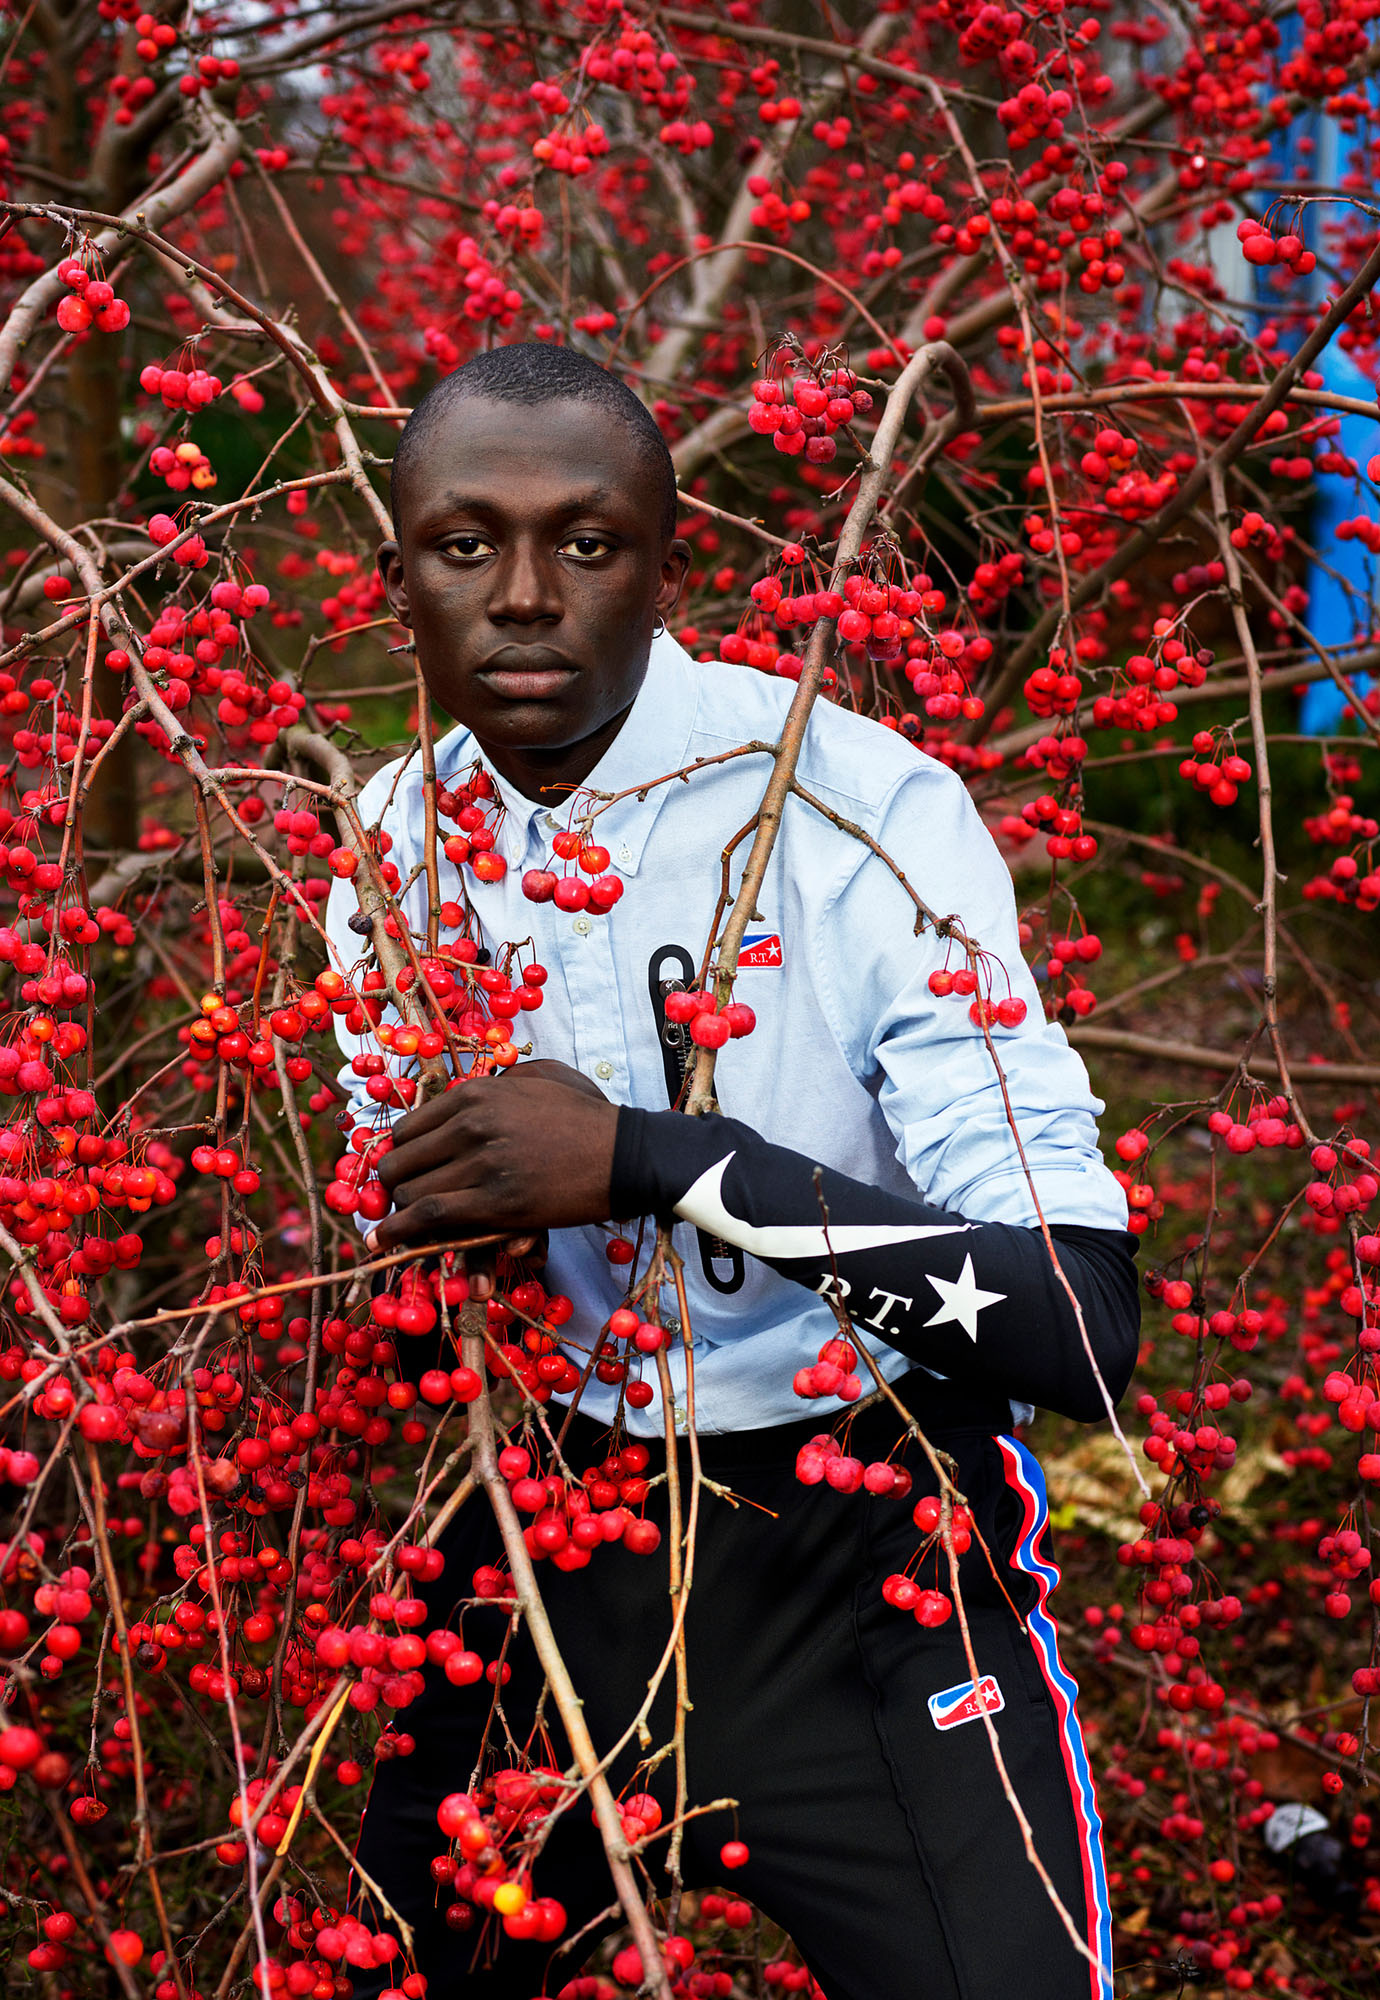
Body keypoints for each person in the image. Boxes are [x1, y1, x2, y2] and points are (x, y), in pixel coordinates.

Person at [325, 342, 1139, 2000]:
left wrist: (658, 1159)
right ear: (398, 573)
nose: (529, 597)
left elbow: (1080, 1323)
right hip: (542, 1546)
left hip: (872, 1559)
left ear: (669, 564)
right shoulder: (393, 852)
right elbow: (417, 1264)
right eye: (466, 545)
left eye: (590, 542)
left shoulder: (871, 818)